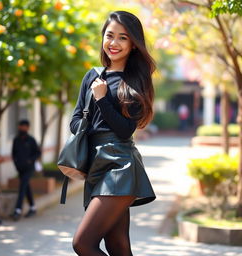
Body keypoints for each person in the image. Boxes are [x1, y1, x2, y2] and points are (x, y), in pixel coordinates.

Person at [69, 11, 156, 255]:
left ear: (134, 45)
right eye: (110, 36)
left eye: (123, 38)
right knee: (117, 246)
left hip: (120, 165)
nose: (114, 43)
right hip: (96, 165)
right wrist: (87, 125)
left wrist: (102, 99)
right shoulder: (93, 76)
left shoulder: (136, 80)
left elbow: (125, 129)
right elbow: (75, 121)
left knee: (82, 243)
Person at [11, 120, 41, 221]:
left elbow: (37, 153)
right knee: (26, 187)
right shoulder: (16, 139)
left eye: (24, 126)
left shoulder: (31, 140)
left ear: (28, 128)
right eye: (21, 126)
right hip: (20, 168)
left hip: (29, 168)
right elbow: (13, 154)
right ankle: (33, 207)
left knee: (22, 187)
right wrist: (16, 164)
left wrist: (30, 160)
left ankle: (17, 210)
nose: (22, 128)